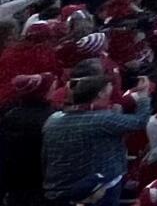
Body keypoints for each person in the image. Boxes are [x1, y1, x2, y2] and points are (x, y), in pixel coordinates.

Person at [43, 77, 147, 206]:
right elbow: (140, 121)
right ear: (100, 93)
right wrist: (143, 97)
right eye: (109, 88)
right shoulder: (102, 119)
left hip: (57, 187)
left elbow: (45, 157)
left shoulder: (52, 120)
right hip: (97, 189)